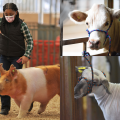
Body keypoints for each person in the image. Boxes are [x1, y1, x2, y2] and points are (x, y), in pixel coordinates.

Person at [0, 3, 33, 115]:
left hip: (18, 58)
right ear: (3, 13)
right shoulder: (0, 22)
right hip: (3, 56)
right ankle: (5, 107)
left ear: (16, 13)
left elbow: (30, 41)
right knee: (4, 81)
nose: (8, 16)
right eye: (6, 14)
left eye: (11, 14)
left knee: (16, 80)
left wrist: (26, 55)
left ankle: (27, 103)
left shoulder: (22, 24)